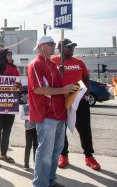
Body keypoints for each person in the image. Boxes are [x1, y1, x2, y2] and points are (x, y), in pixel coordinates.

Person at [27, 36, 79, 187]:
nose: (54, 46)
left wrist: (72, 89)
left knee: (56, 150)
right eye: (50, 44)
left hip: (59, 113)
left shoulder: (52, 64)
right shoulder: (35, 64)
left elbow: (57, 88)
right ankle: (40, 184)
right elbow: (38, 89)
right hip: (46, 114)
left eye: (54, 44)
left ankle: (50, 180)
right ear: (41, 46)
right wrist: (64, 89)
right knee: (45, 151)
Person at [52, 39, 101, 170]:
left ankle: (89, 156)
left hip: (79, 100)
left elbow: (86, 78)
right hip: (60, 101)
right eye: (69, 47)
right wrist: (58, 72)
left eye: (73, 47)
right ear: (59, 48)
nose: (72, 49)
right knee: (61, 130)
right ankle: (64, 155)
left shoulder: (79, 62)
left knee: (85, 129)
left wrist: (86, 92)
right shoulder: (53, 62)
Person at [24, 106, 38, 171]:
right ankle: (26, 164)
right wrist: (32, 117)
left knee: (36, 145)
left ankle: (35, 163)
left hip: (37, 128)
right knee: (28, 146)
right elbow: (22, 116)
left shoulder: (38, 105)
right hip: (28, 128)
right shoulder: (25, 106)